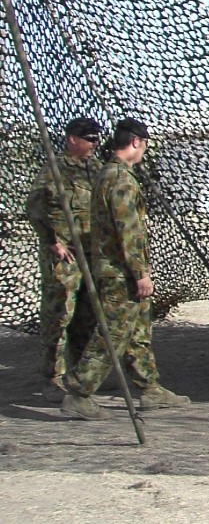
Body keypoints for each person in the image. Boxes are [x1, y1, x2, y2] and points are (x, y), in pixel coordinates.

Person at [60, 118, 190, 420]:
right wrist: (140, 273)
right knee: (114, 332)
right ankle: (79, 391)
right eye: (144, 145)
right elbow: (127, 231)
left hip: (115, 269)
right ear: (136, 143)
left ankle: (149, 387)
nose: (144, 151)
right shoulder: (120, 180)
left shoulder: (108, 174)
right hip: (120, 272)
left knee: (136, 330)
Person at [25, 117, 103, 401]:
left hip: (91, 254)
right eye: (90, 139)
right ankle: (52, 377)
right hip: (64, 256)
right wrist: (51, 241)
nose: (95, 145)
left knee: (88, 315)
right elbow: (34, 207)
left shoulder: (95, 170)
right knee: (59, 317)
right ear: (72, 139)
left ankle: (80, 374)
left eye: (97, 139)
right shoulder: (55, 170)